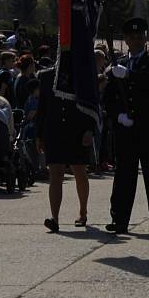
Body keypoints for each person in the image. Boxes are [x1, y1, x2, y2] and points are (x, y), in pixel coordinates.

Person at [103, 17, 149, 234]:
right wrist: (118, 115)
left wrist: (129, 75)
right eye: (132, 37)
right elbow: (108, 99)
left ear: (145, 38)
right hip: (126, 129)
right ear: (126, 40)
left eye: (140, 36)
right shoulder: (118, 64)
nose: (136, 40)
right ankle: (120, 219)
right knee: (124, 176)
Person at [37, 67, 96, 232]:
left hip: (77, 130)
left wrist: (90, 129)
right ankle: (54, 218)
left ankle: (83, 212)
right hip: (54, 131)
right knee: (55, 173)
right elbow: (43, 106)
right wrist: (39, 135)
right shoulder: (46, 76)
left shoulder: (82, 74)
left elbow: (91, 103)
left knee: (79, 173)